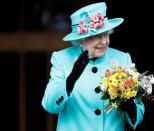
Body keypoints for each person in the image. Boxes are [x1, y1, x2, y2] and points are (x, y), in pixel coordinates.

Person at [41, 2, 145, 131]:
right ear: (81, 38)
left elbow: (138, 115)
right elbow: (50, 106)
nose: (104, 41)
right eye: (97, 36)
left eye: (106, 34)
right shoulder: (62, 59)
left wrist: (131, 107)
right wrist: (71, 79)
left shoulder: (122, 58)